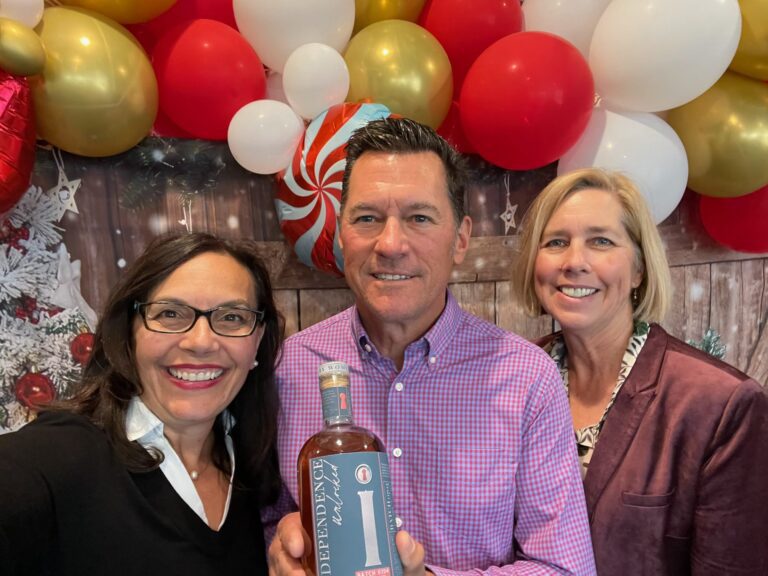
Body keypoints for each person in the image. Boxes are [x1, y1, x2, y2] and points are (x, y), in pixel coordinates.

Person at [266, 117, 596, 575]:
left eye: (419, 218)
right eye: (367, 218)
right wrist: (279, 548)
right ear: (342, 234)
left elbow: (565, 568)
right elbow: (270, 519)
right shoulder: (289, 370)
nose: (391, 244)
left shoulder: (526, 378)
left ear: (460, 238)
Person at [512, 167, 768, 575]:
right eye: (556, 242)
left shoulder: (721, 405)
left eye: (601, 241)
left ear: (638, 268)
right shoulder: (512, 382)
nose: (575, 262)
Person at [0, 232, 283, 575]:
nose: (201, 342)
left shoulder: (254, 464)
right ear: (129, 333)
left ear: (258, 340)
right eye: (170, 313)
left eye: (232, 317)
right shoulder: (58, 457)